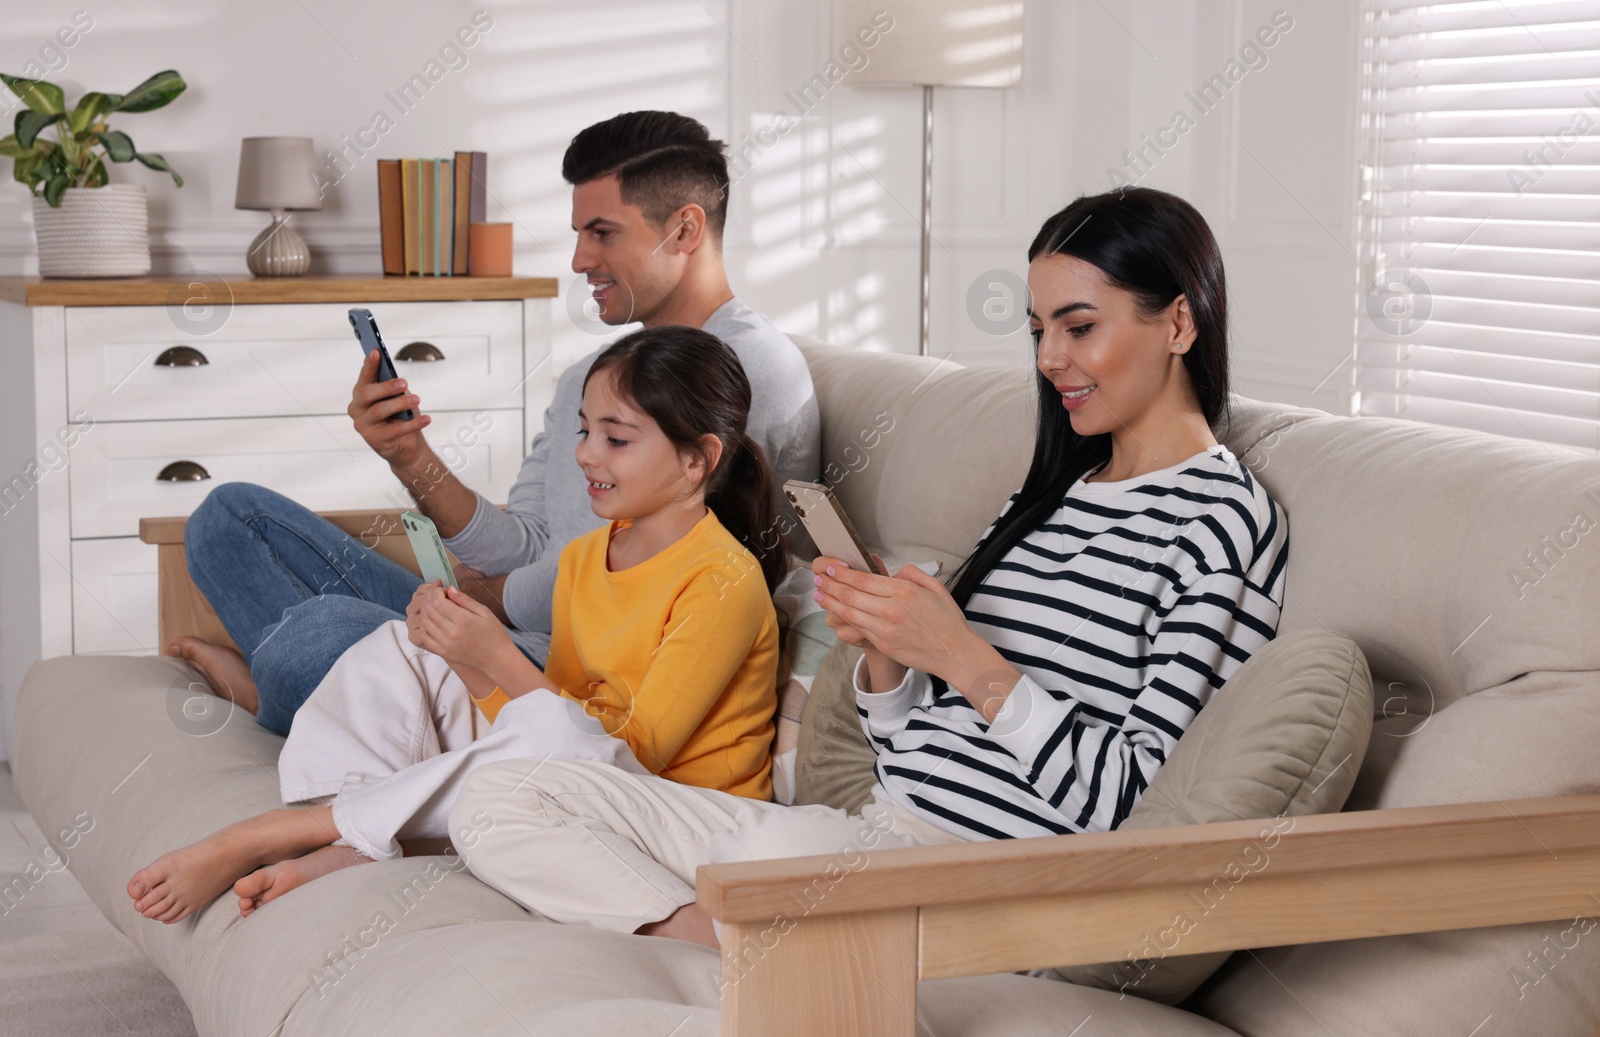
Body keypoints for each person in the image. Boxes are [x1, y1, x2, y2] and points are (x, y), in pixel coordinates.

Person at [440, 186, 1291, 949]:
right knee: (504, 797)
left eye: (1079, 327)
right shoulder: (1046, 497)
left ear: (1177, 323)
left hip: (978, 883)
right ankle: (708, 934)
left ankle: (760, 942)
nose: (1048, 360)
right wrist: (887, 653)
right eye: (1038, 331)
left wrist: (963, 655)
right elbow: (909, 743)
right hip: (873, 835)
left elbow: (1130, 805)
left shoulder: (1219, 523)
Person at [171, 110, 821, 736]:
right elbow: (528, 538)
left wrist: (484, 601)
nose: (577, 260)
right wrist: (409, 455)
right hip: (505, 633)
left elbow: (656, 566)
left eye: (603, 232)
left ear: (684, 231)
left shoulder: (744, 370)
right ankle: (309, 697)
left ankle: (278, 693)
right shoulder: (594, 379)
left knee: (312, 637)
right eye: (577, 233)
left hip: (577, 681)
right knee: (228, 518)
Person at [126, 326, 788, 924]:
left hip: (667, 811)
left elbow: (629, 752)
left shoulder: (722, 581)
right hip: (576, 765)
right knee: (397, 647)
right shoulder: (591, 553)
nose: (587, 455)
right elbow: (543, 722)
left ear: (698, 458)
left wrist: (497, 656)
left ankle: (277, 830)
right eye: (583, 431)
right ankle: (351, 839)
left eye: (615, 439)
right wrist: (467, 656)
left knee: (545, 729)